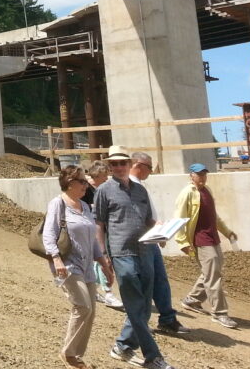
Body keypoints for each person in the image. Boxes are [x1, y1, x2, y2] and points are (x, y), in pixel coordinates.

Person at [94, 145, 177, 369]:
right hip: (121, 253)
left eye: (122, 163)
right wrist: (102, 255)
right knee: (134, 303)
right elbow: (99, 225)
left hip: (146, 251)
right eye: (114, 164)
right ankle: (153, 356)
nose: (119, 167)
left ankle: (122, 345)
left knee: (142, 303)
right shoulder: (104, 190)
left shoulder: (141, 191)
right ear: (109, 167)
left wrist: (161, 230)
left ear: (130, 165)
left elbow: (148, 220)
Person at [43, 165, 114, 369]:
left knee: (90, 311)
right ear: (69, 183)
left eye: (85, 181)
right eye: (82, 181)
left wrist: (105, 265)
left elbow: (92, 241)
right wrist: (56, 260)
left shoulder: (84, 206)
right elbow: (49, 234)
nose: (85, 184)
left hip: (87, 267)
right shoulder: (58, 203)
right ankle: (68, 353)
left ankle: (76, 354)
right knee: (82, 306)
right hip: (67, 264)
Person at [129, 152, 189, 336]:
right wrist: (155, 230)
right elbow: (136, 216)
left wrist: (159, 232)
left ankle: (167, 319)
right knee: (146, 283)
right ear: (139, 165)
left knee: (160, 280)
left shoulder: (139, 186)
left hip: (152, 238)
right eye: (149, 167)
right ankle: (141, 323)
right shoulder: (130, 186)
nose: (150, 171)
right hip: (143, 241)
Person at [173, 163, 238, 329]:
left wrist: (227, 232)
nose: (202, 177)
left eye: (204, 174)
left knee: (211, 272)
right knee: (213, 277)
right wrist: (182, 242)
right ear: (191, 176)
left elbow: (214, 217)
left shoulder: (206, 191)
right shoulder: (187, 193)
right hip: (201, 239)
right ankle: (220, 313)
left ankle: (192, 300)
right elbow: (179, 218)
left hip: (213, 237)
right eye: (198, 174)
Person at [85, 162, 124, 310]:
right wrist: (93, 207)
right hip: (93, 229)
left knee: (97, 260)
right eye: (104, 175)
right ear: (97, 176)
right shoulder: (87, 189)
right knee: (102, 258)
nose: (107, 178)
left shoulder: (101, 189)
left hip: (103, 229)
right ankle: (108, 293)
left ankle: (94, 289)